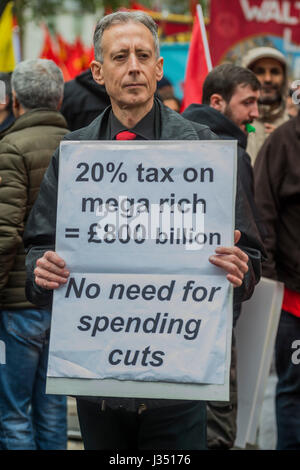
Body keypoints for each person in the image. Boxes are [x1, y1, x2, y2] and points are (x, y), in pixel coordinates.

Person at [23, 11, 262, 451]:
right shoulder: (74, 156)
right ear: (98, 71)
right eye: (120, 56)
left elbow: (252, 262)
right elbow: (39, 249)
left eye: (143, 55)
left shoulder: (206, 152)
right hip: (99, 384)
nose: (133, 66)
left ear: (158, 68)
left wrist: (240, 269)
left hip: (180, 384)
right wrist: (42, 270)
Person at [182, 63, 265, 449]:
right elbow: (249, 244)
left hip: (164, 311)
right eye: (247, 102)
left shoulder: (171, 137)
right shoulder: (230, 153)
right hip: (210, 314)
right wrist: (244, 278)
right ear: (216, 101)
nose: (255, 113)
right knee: (213, 428)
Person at [0, 59, 69, 450]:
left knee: (13, 413)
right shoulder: (82, 145)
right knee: (53, 408)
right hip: (67, 301)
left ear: (14, 99)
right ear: (58, 97)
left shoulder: (10, 148)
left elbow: (5, 234)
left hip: (18, 302)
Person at [254, 114, 300, 450]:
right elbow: (263, 216)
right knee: (293, 388)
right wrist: (267, 283)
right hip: (293, 299)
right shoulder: (283, 142)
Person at [242, 47, 289, 165]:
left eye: (274, 72)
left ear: (284, 78)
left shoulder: (294, 126)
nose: (268, 79)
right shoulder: (234, 124)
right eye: (260, 71)